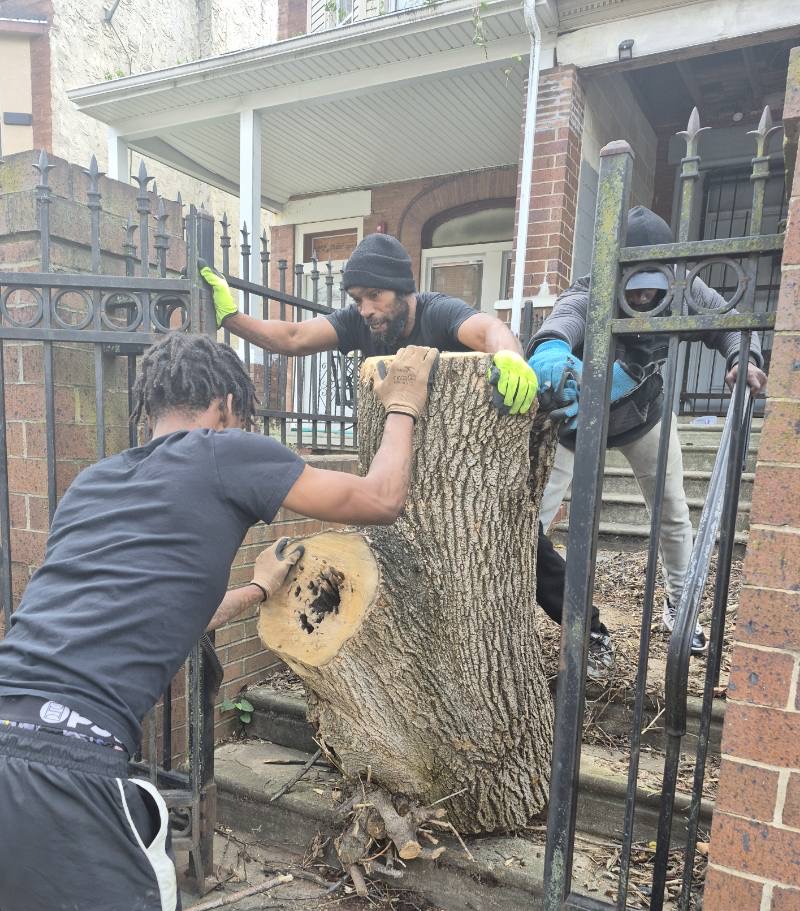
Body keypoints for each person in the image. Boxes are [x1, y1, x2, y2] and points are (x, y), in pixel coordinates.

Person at [0, 331, 439, 911]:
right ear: (225, 409)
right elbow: (382, 497)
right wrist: (403, 400)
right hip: (62, 774)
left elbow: (154, 617)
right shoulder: (225, 451)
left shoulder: (93, 483)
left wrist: (254, 588)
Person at [199, 233, 593, 663]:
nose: (366, 308)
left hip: (465, 471)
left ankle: (590, 630)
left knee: (522, 547)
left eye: (374, 295)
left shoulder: (438, 312)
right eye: (357, 298)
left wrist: (510, 355)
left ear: (404, 290)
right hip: (402, 471)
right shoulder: (359, 323)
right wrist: (232, 317)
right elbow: (292, 337)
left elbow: (489, 329)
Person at [524, 205, 768, 667]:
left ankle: (681, 604)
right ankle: (570, 621)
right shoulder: (592, 288)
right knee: (525, 522)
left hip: (644, 415)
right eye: (631, 288)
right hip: (575, 423)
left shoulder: (685, 286)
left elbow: (731, 324)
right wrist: (552, 346)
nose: (641, 298)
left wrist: (744, 358)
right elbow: (564, 319)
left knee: (673, 512)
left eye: (650, 289)